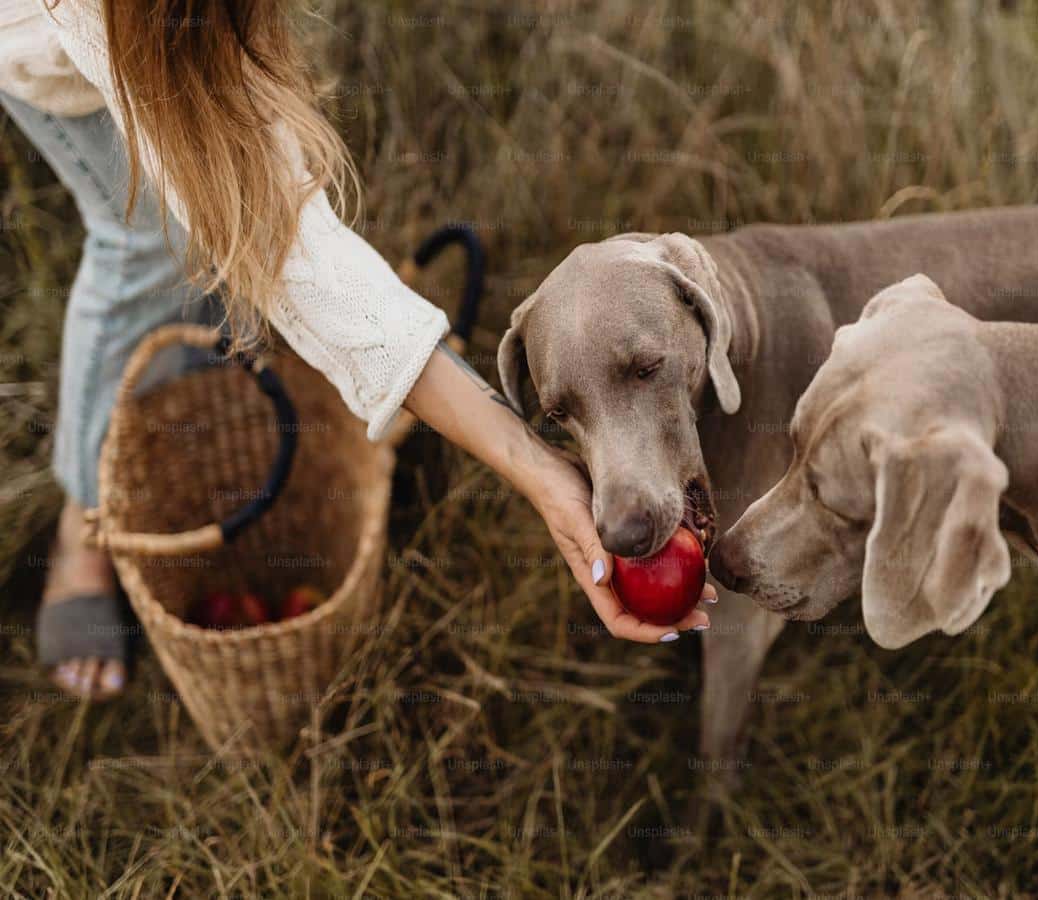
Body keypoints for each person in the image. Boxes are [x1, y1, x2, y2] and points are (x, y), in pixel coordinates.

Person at [0, 0, 712, 699]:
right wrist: (534, 469)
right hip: (44, 40)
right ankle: (83, 529)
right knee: (149, 243)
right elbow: (291, 251)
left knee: (203, 226)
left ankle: (192, 373)